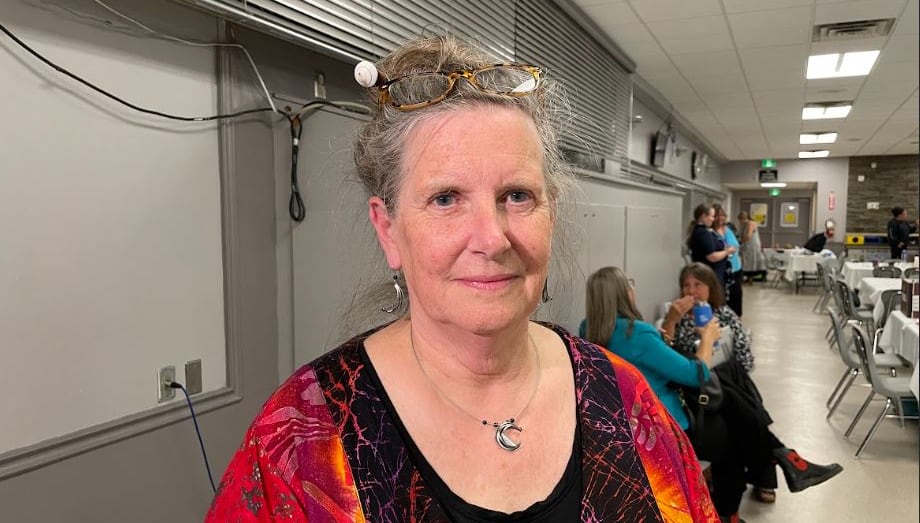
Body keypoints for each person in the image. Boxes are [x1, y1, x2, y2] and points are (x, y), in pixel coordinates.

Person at [205, 35, 716, 522]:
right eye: (445, 199)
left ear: (551, 215)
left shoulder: (624, 402)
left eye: (517, 196)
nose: (492, 239)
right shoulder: (303, 438)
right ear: (388, 229)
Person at [660, 263, 843, 510]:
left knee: (734, 406)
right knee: (745, 405)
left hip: (722, 389)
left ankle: (734, 503)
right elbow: (666, 361)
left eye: (698, 285)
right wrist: (673, 323)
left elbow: (746, 359)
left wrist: (717, 348)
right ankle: (780, 459)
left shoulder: (724, 315)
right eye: (686, 285)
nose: (692, 291)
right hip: (695, 392)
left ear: (710, 288)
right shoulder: (678, 319)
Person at [687, 203, 734, 287]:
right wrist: (727, 252)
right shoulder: (703, 233)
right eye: (712, 216)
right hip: (709, 276)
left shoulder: (701, 231)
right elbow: (712, 257)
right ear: (703, 216)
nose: (713, 219)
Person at [713, 204, 743, 317]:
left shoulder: (728, 229)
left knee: (736, 296)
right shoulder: (711, 232)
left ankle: (737, 321)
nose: (721, 218)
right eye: (718, 216)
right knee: (724, 299)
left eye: (723, 215)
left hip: (736, 268)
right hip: (723, 270)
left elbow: (736, 245)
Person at [737, 212, 765, 282]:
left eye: (740, 220)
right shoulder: (745, 224)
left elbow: (748, 236)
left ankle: (750, 279)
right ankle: (748, 278)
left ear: (742, 219)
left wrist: (740, 242)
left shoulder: (750, 223)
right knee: (746, 261)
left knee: (751, 261)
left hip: (752, 245)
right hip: (747, 244)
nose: (740, 222)